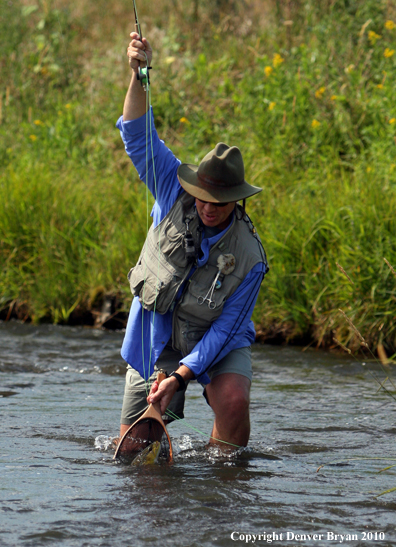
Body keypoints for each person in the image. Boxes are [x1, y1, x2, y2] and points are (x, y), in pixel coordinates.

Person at [116, 31, 268, 449]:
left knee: (233, 400)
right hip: (156, 340)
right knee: (131, 453)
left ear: (236, 202)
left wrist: (182, 376)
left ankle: (225, 472)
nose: (208, 207)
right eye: (203, 198)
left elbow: (225, 330)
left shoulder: (251, 258)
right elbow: (136, 133)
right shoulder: (171, 188)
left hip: (214, 342)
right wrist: (138, 74)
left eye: (219, 202)